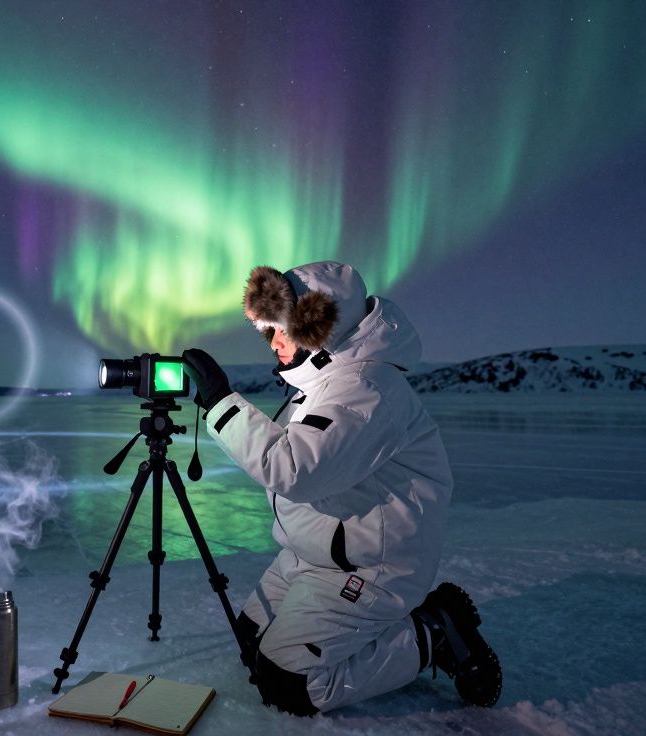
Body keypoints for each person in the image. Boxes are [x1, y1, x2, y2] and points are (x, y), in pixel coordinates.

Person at [181, 261, 501, 715]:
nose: (272, 343)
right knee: (250, 644)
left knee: (287, 682)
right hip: (312, 553)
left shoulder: (367, 388)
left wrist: (219, 402)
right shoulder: (320, 382)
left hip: (373, 564)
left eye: (279, 329)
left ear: (318, 324)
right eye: (266, 331)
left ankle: (430, 633)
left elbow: (295, 469)